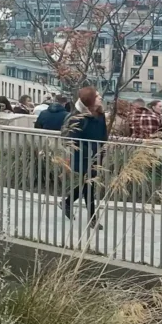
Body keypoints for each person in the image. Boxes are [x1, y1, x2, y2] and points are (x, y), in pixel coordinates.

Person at [61, 86, 108, 229]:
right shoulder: (78, 117)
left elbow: (103, 134)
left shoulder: (100, 115)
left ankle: (67, 203)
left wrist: (102, 149)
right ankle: (92, 219)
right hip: (82, 156)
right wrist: (88, 150)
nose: (100, 98)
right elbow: (71, 137)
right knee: (89, 186)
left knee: (86, 184)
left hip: (97, 155)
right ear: (90, 100)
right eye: (97, 96)